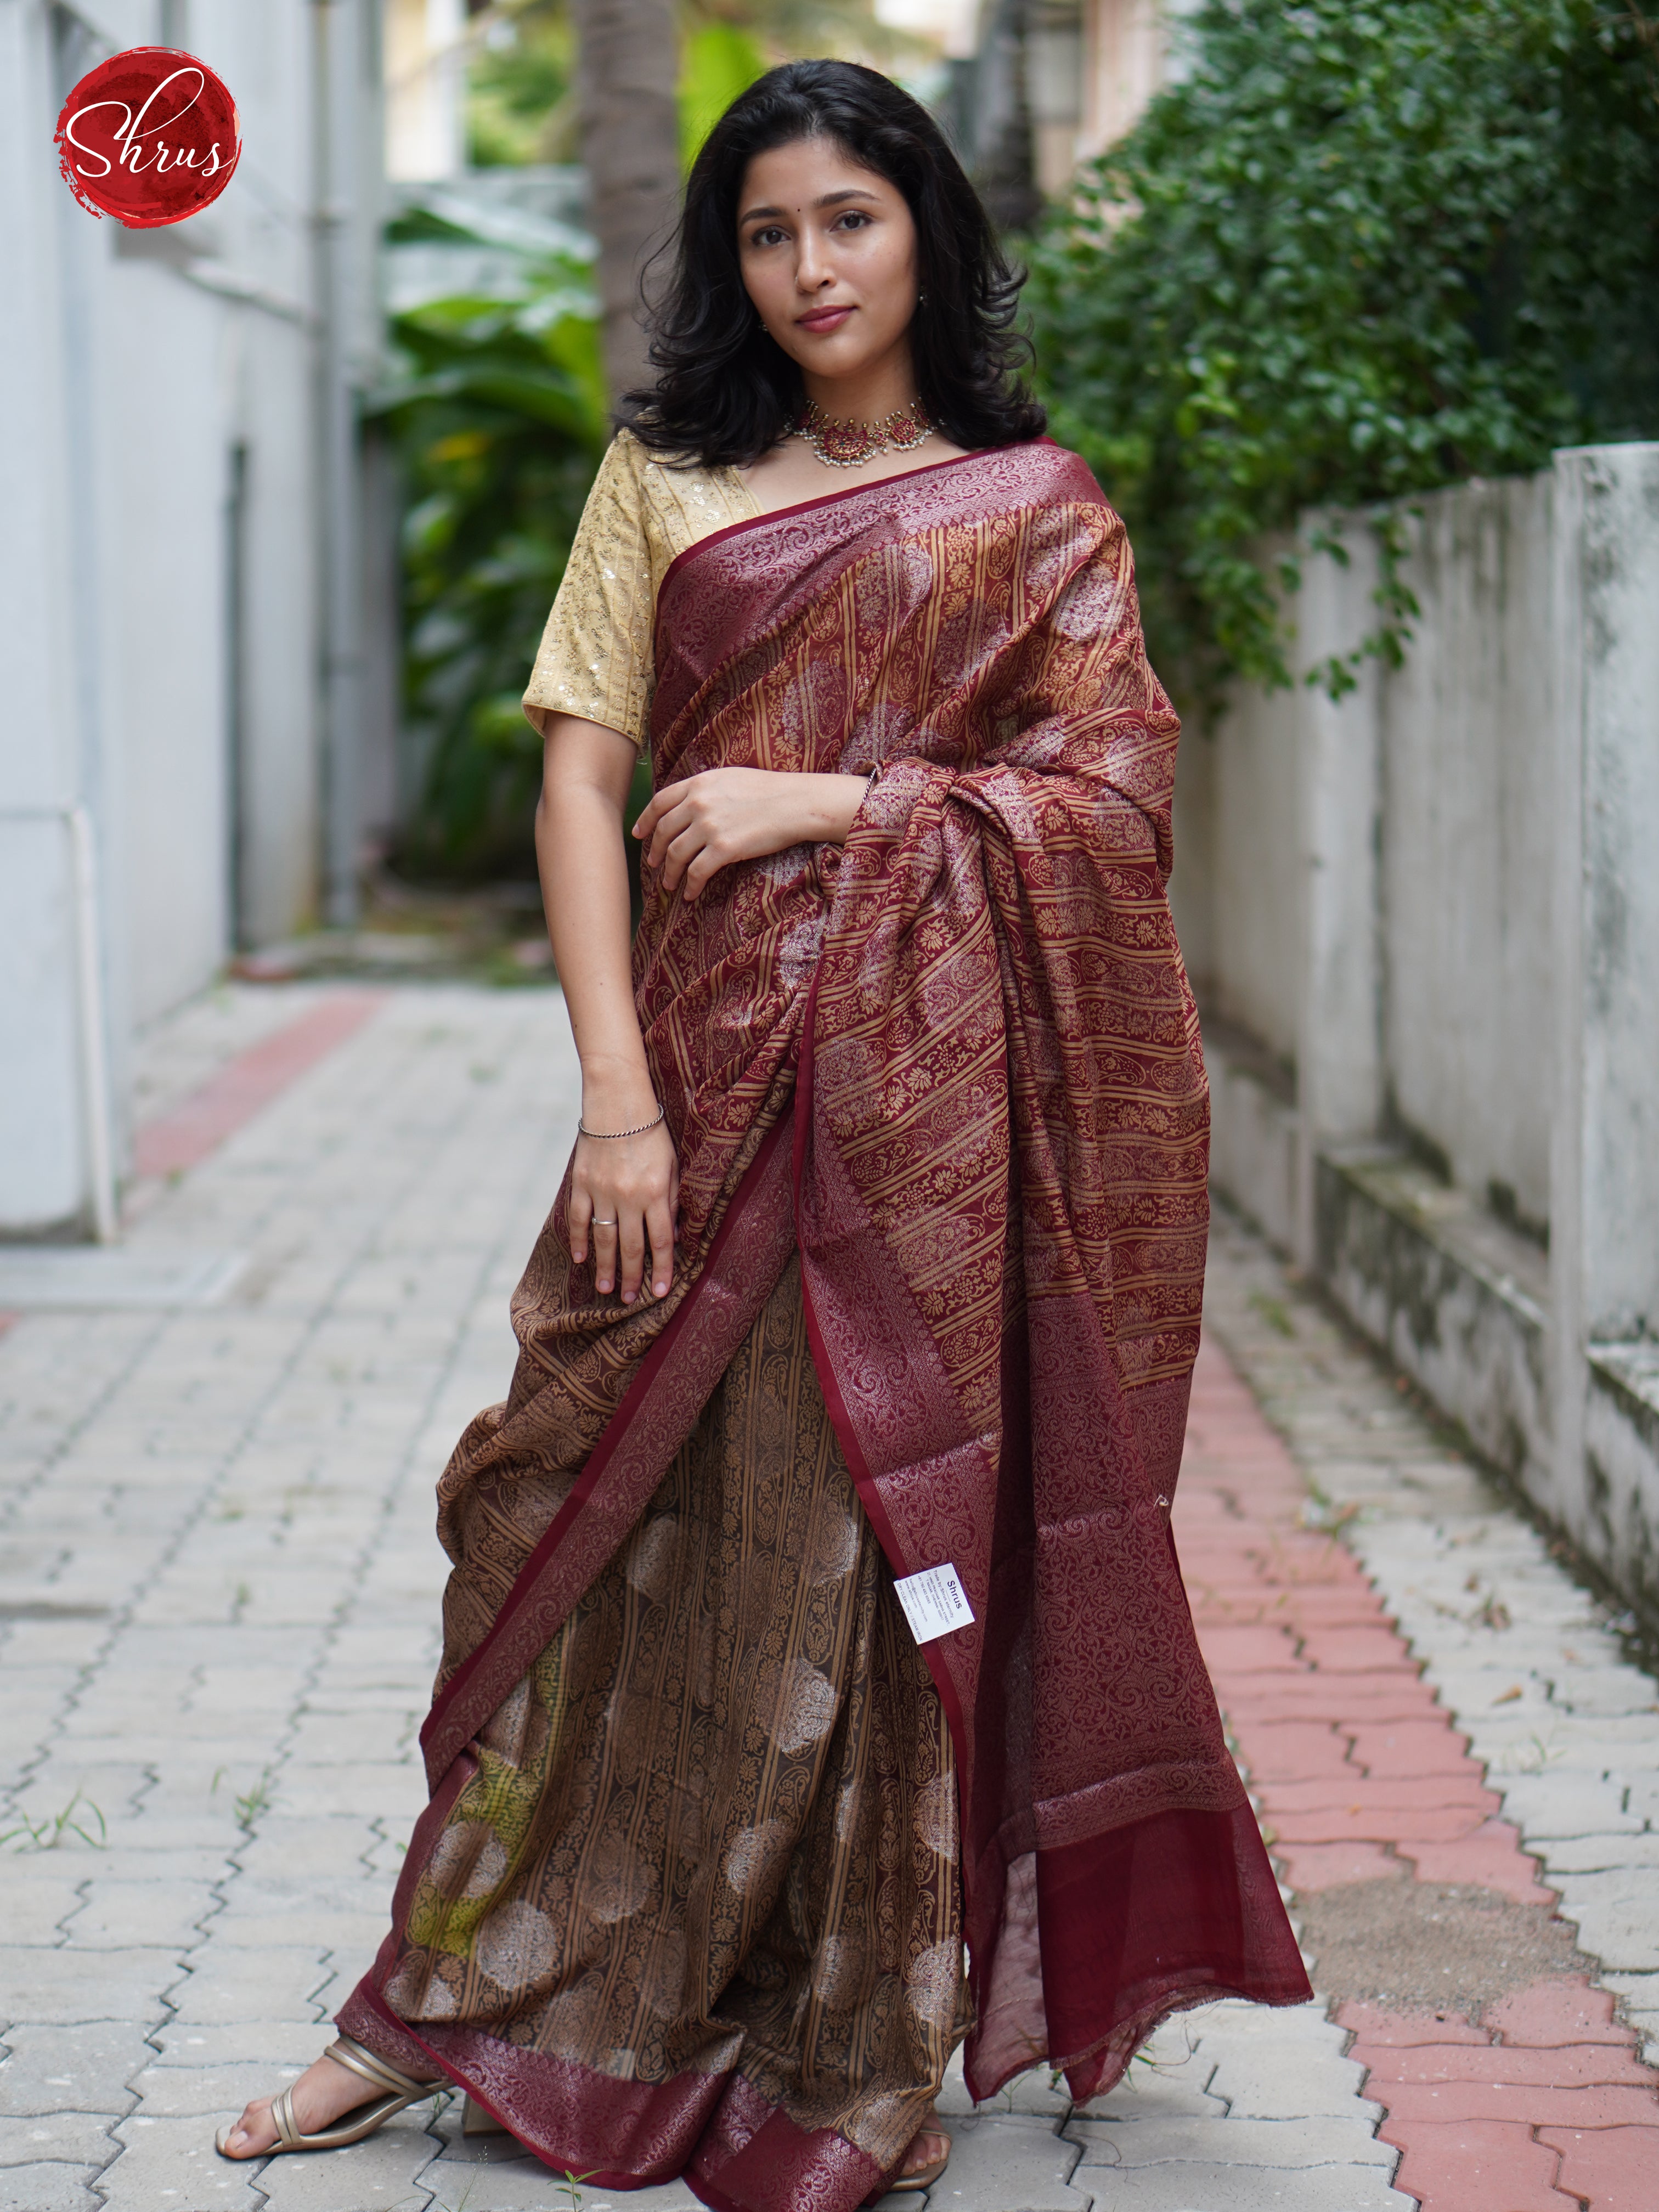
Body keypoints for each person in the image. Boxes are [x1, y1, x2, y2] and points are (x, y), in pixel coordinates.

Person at [217, 57, 1309, 2209]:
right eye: (769, 233)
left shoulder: (1033, 508)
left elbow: (1108, 806)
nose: (812, 269)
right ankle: (437, 2009)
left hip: (922, 1138)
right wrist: (614, 1099)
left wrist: (843, 801)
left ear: (929, 234)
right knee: (583, 1537)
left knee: (873, 1560)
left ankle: (853, 2032)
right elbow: (574, 782)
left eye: (852, 221)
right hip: (695, 1101)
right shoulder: (670, 476)